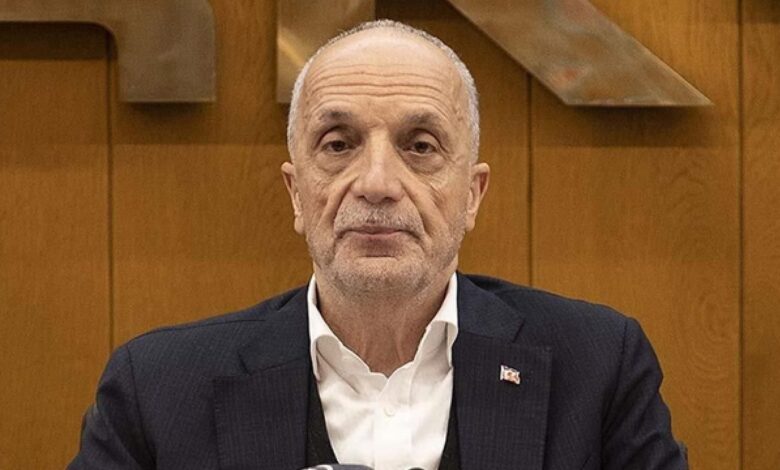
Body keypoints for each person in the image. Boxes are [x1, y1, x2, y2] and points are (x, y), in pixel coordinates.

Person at [69, 20, 687, 470]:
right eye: (339, 145)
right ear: (296, 192)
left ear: (472, 195)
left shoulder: (597, 367)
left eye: (420, 146)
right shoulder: (159, 388)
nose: (377, 183)